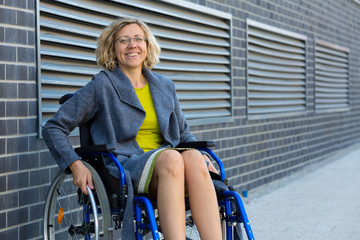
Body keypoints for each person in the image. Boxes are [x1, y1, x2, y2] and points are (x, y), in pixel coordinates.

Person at [42, 17, 222, 239]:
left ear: (147, 45)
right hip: (126, 167)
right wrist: (75, 164)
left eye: (138, 39)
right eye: (123, 40)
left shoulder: (165, 86)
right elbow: (53, 127)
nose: (132, 45)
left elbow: (183, 133)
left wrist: (204, 158)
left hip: (169, 166)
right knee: (173, 158)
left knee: (194, 156)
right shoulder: (102, 85)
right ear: (112, 47)